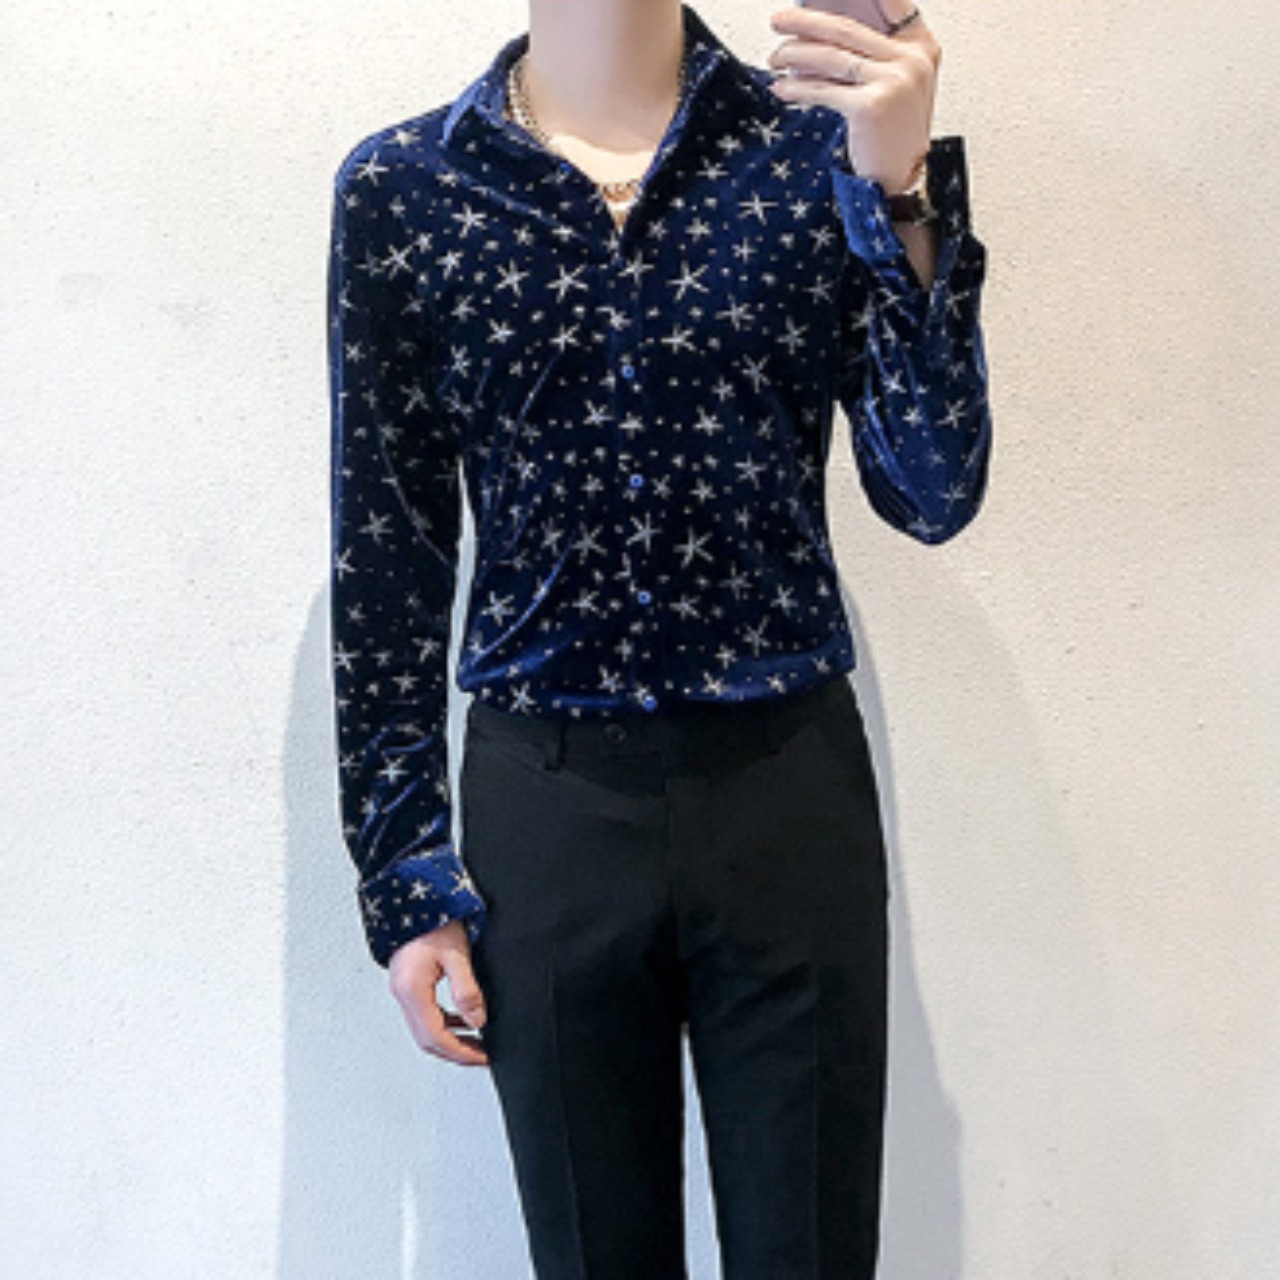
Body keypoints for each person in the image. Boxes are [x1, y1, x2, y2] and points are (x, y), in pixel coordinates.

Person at [326, 1, 991, 1274]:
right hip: (546, 812)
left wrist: (899, 190)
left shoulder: (811, 154)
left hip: (785, 796)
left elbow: (932, 487)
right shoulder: (404, 189)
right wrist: (402, 869)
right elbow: (386, 550)